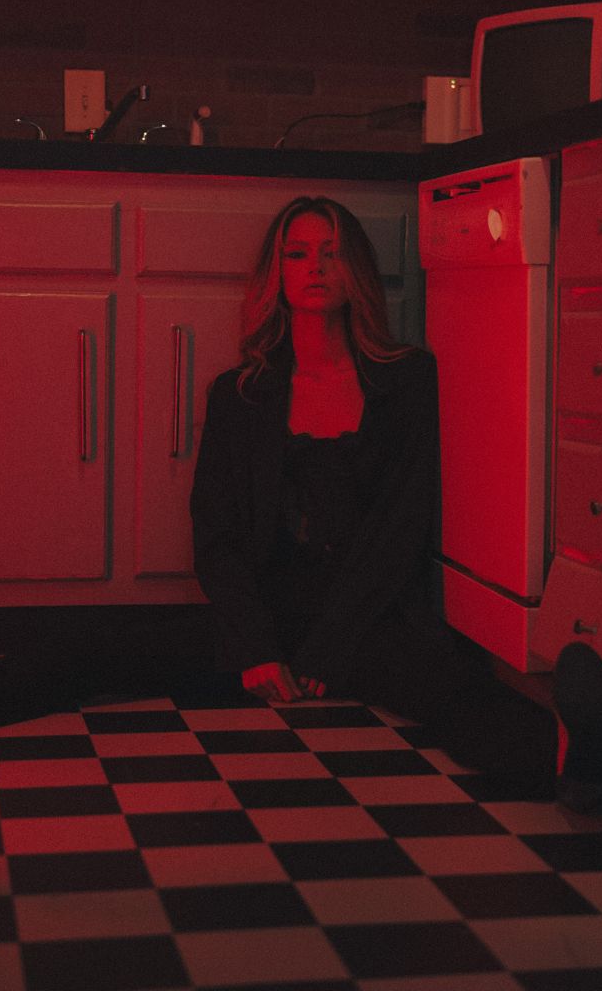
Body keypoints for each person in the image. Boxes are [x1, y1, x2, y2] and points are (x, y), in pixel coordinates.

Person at [189, 195, 562, 792]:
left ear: (356, 270)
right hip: (268, 608)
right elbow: (217, 535)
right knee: (109, 650)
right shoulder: (240, 394)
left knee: (457, 696)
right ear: (278, 272)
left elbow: (399, 528)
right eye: (299, 253)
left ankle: (593, 763)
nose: (315, 267)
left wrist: (326, 650)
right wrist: (255, 646)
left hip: (366, 611)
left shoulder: (407, 379)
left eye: (332, 254)